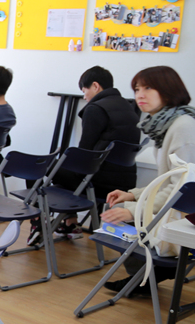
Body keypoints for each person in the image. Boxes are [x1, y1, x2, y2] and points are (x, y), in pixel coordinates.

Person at [101, 66, 195, 295]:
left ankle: (152, 272)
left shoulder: (182, 127)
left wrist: (134, 210)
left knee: (120, 215)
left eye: (148, 88)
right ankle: (147, 274)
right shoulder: (167, 124)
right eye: (136, 89)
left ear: (169, 90)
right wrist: (132, 194)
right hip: (180, 204)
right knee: (119, 206)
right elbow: (166, 180)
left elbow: (182, 189)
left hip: (187, 212)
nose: (140, 95)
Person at [27, 66, 140, 246]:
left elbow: (84, 155)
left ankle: (38, 222)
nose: (85, 97)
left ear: (95, 86)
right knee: (62, 176)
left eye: (84, 91)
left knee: (36, 166)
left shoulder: (96, 108)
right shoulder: (129, 107)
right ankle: (70, 224)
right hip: (124, 185)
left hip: (97, 182)